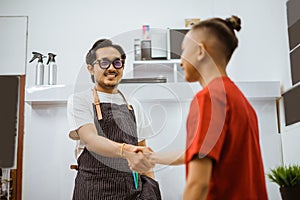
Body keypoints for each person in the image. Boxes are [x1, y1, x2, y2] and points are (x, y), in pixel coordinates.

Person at [151, 16, 268, 199]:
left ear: (200, 51)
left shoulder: (208, 99)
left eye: (183, 51)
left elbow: (198, 184)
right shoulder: (241, 102)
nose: (180, 61)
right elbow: (196, 152)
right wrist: (152, 158)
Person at [67, 39, 161, 199]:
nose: (111, 68)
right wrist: (127, 150)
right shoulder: (80, 100)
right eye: (104, 63)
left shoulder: (133, 104)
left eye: (117, 63)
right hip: (93, 190)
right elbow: (91, 140)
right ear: (90, 68)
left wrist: (152, 190)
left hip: (131, 192)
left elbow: (143, 155)